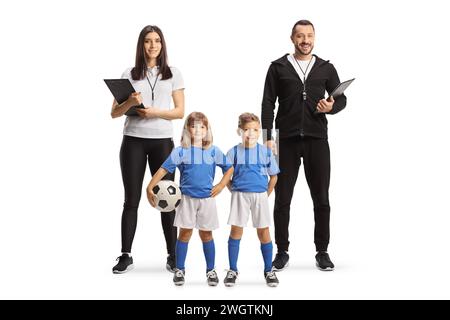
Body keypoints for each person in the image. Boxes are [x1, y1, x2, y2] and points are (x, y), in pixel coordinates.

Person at [261, 20, 347, 272]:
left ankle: (322, 251)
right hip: (285, 141)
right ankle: (282, 251)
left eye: (309, 36)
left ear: (315, 38)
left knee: (321, 198)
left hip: (317, 140)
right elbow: (268, 103)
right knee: (282, 199)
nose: (305, 40)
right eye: (300, 36)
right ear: (292, 38)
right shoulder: (277, 67)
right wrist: (268, 136)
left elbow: (341, 100)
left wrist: (332, 107)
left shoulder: (326, 68)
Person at [111, 25, 185, 274]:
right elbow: (114, 113)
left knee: (168, 199)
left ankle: (173, 255)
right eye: (147, 41)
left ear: (162, 45)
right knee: (131, 200)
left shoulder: (173, 73)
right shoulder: (129, 73)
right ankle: (125, 255)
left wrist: (154, 112)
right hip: (133, 140)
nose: (153, 46)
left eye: (157, 41)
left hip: (162, 142)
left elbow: (179, 112)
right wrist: (130, 102)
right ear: (141, 45)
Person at [146, 112, 233, 286]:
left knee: (206, 234)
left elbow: (229, 168)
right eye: (194, 126)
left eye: (202, 126)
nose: (198, 129)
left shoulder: (213, 151)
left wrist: (222, 185)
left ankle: (211, 270)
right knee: (184, 233)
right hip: (186, 199)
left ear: (207, 129)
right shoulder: (181, 151)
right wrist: (149, 186)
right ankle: (179, 269)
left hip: (207, 199)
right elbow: (163, 170)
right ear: (187, 129)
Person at [224, 113, 280, 287]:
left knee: (263, 232)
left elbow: (273, 177)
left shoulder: (265, 152)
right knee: (236, 231)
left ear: (260, 131)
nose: (251, 133)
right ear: (239, 131)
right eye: (247, 130)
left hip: (259, 196)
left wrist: (266, 194)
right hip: (240, 195)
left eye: (255, 130)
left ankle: (268, 270)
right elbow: (227, 176)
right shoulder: (233, 152)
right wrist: (232, 189)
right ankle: (232, 269)